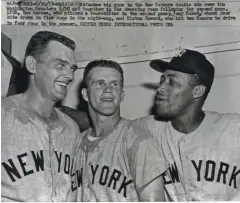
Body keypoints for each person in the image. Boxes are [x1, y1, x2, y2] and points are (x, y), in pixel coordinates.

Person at [134, 49, 240, 201]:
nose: (161, 88)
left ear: (197, 91)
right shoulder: (147, 129)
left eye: (172, 82)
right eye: (162, 81)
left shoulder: (233, 129)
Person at [72, 60, 168, 201]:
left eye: (114, 84)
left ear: (121, 95)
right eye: (100, 83)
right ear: (85, 94)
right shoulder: (74, 144)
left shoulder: (139, 141)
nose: (108, 89)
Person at [1, 31, 80, 201]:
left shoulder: (72, 129)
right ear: (31, 65)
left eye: (72, 68)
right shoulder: (3, 114)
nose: (70, 76)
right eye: (60, 65)